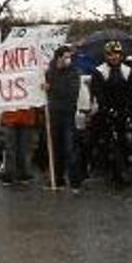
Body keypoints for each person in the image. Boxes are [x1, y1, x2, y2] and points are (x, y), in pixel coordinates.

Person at [89, 40, 132, 172]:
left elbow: (130, 93)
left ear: (121, 55)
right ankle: (94, 162)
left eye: (116, 54)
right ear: (106, 56)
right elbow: (97, 91)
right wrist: (105, 108)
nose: (114, 57)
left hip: (122, 108)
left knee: (127, 136)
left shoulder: (127, 71)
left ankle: (130, 159)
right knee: (96, 135)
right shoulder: (99, 71)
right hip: (104, 108)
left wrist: (130, 111)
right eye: (110, 54)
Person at [45, 45, 82, 192]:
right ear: (58, 58)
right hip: (54, 115)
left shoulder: (73, 73)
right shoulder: (49, 72)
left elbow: (71, 92)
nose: (68, 60)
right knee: (56, 149)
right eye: (65, 57)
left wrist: (51, 87)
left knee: (70, 148)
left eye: (69, 57)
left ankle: (75, 182)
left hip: (67, 114)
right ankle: (58, 179)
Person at [0, 107, 41, 185]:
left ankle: (13, 174)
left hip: (12, 116)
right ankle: (20, 174)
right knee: (21, 148)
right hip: (23, 117)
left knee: (14, 148)